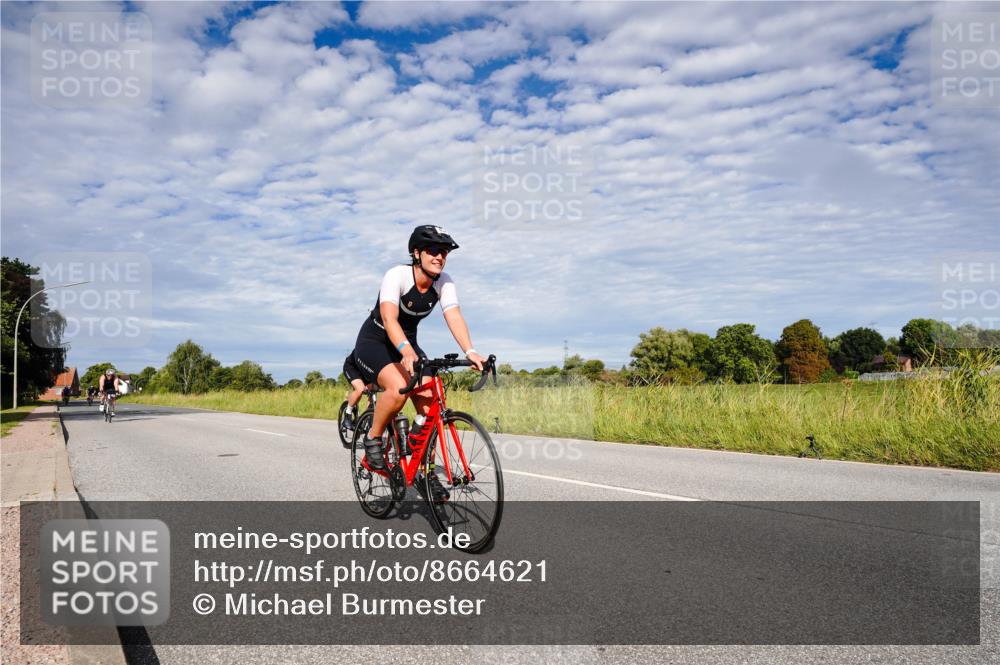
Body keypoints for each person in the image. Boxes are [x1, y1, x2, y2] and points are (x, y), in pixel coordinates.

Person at [351, 225, 484, 502]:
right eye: (433, 250)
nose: (440, 256)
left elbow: (454, 315)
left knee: (431, 401)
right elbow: (389, 318)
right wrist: (405, 350)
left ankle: (426, 472)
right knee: (399, 387)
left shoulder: (444, 281)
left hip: (408, 343)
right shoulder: (397, 275)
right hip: (376, 341)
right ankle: (373, 438)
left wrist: (470, 351)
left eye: (444, 252)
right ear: (416, 253)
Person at [341, 352, 366, 433]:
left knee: (373, 391)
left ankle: (369, 419)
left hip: (366, 370)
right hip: (351, 367)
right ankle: (347, 415)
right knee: (360, 389)